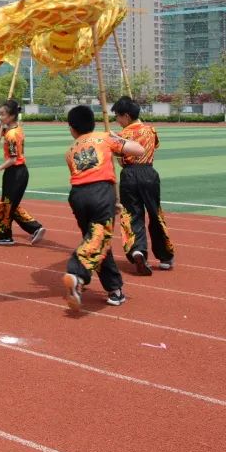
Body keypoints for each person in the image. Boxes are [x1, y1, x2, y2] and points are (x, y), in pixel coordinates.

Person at [62, 105, 145, 310]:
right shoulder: (105, 138)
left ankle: (114, 289)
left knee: (98, 239)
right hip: (100, 192)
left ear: (72, 128)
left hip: (78, 196)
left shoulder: (70, 151)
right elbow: (139, 150)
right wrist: (117, 138)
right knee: (99, 238)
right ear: (93, 123)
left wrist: (114, 201)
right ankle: (77, 272)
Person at [112, 96, 175, 274]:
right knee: (155, 214)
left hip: (129, 175)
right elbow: (155, 146)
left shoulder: (121, 136)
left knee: (132, 214)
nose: (117, 120)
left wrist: (115, 139)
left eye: (118, 116)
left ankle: (137, 250)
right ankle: (165, 256)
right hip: (149, 173)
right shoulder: (151, 130)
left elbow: (121, 161)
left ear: (126, 116)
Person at [0, 99, 46, 245]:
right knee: (10, 205)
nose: (0, 117)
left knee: (7, 206)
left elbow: (13, 159)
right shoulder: (14, 128)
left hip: (16, 173)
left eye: (3, 114)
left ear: (12, 115)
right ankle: (35, 228)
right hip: (16, 173)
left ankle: (5, 236)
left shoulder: (12, 134)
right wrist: (1, 121)